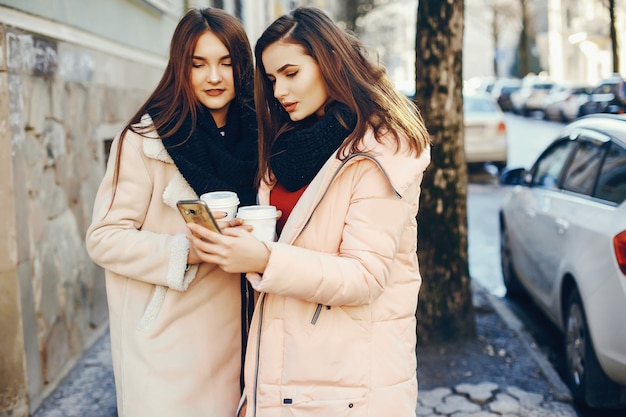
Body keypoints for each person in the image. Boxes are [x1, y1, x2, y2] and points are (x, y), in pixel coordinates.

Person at [187, 6, 431, 416]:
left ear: (329, 62)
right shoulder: (286, 144)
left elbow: (365, 276)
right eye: (270, 79)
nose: (279, 91)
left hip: (349, 385)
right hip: (283, 373)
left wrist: (265, 258)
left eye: (290, 73)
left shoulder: (377, 150)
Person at [85, 8, 257, 417]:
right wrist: (187, 251)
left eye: (226, 63)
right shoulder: (147, 140)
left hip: (250, 341)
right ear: (181, 67)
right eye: (198, 64)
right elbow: (104, 238)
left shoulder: (261, 137)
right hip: (169, 347)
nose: (213, 77)